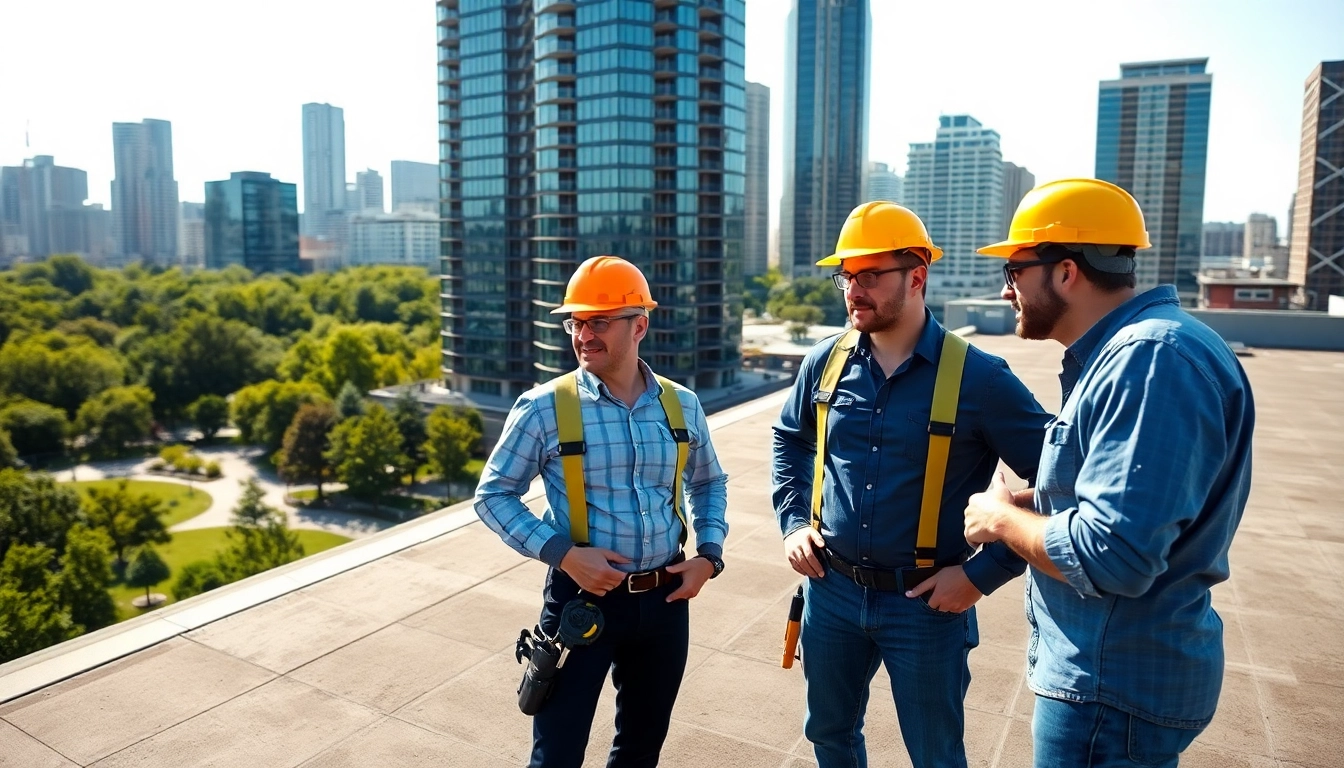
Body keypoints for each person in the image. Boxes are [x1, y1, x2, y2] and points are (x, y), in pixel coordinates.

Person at [964, 178, 1256, 767]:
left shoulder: (1148, 361)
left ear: (1066, 272)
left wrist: (999, 519)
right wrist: (1041, 503)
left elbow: (1112, 555)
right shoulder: (1144, 351)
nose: (1006, 290)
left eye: (1015, 271)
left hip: (1110, 688)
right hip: (1121, 682)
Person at [772, 201, 1052, 767]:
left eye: (871, 275)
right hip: (832, 591)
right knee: (829, 733)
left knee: (935, 754)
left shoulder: (981, 378)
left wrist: (980, 576)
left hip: (926, 605)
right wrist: (794, 522)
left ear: (917, 276)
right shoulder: (825, 362)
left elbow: (1063, 483)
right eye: (846, 276)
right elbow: (790, 439)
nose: (854, 289)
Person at [474, 255, 729, 768]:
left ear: (640, 325)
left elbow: (708, 482)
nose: (583, 334)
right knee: (557, 754)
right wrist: (564, 555)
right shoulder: (544, 406)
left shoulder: (681, 405)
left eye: (598, 321)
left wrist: (709, 556)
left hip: (664, 602)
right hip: (579, 604)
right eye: (576, 321)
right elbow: (493, 495)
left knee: (640, 750)